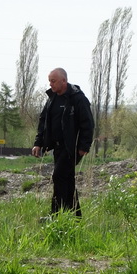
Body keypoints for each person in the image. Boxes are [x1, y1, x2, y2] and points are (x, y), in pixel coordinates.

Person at [31, 68, 95, 217]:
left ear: (64, 81)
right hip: (57, 147)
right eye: (49, 81)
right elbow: (43, 122)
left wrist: (84, 146)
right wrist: (38, 143)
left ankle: (55, 215)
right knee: (67, 181)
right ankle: (74, 216)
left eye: (53, 81)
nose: (50, 84)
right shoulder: (52, 98)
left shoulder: (78, 99)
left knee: (58, 176)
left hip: (71, 147)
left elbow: (88, 124)